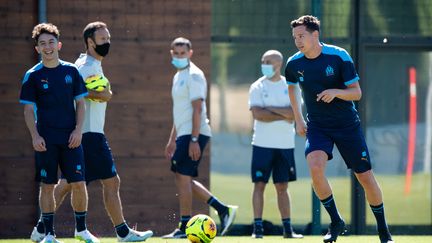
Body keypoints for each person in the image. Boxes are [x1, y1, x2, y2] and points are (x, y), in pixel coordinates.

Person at [30, 22, 153, 242]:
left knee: (69, 183)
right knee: (109, 182)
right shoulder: (86, 66)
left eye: (108, 38)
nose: (107, 43)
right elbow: (76, 94)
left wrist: (105, 93)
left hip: (89, 133)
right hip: (89, 134)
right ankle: (123, 233)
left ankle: (41, 228)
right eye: (103, 39)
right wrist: (104, 94)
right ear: (90, 42)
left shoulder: (89, 64)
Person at [285, 15, 394, 243]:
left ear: (315, 35)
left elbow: (356, 93)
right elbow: (292, 89)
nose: (297, 41)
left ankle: (383, 231)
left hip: (346, 125)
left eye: (301, 36)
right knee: (315, 167)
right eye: (295, 37)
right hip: (317, 126)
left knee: (365, 177)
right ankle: (336, 221)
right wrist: (298, 119)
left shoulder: (339, 56)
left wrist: (336, 92)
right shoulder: (294, 64)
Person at [20, 23, 99, 243]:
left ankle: (82, 230)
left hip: (71, 138)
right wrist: (35, 136)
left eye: (51, 42)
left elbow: (81, 104)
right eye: (42, 44)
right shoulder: (32, 76)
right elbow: (28, 110)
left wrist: (78, 131)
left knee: (78, 183)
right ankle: (49, 234)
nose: (47, 47)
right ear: (37, 48)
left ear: (59, 45)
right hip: (46, 139)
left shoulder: (71, 71)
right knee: (47, 186)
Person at [162, 37, 238, 239]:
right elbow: (180, 113)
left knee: (183, 177)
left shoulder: (194, 75)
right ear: (172, 54)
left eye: (183, 53)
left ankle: (184, 226)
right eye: (176, 53)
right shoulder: (178, 76)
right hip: (184, 133)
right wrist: (172, 140)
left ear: (190, 53)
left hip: (195, 133)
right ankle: (223, 209)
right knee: (182, 177)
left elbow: (197, 109)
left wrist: (194, 139)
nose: (179, 56)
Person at [248, 50, 303, 239]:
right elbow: (257, 114)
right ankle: (258, 229)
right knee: (259, 186)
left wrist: (269, 108)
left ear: (278, 64)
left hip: (285, 146)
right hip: (261, 145)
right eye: (263, 60)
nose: (264, 63)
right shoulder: (256, 86)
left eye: (268, 61)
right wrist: (283, 113)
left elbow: (293, 114)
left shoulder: (291, 86)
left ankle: (288, 231)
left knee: (282, 187)